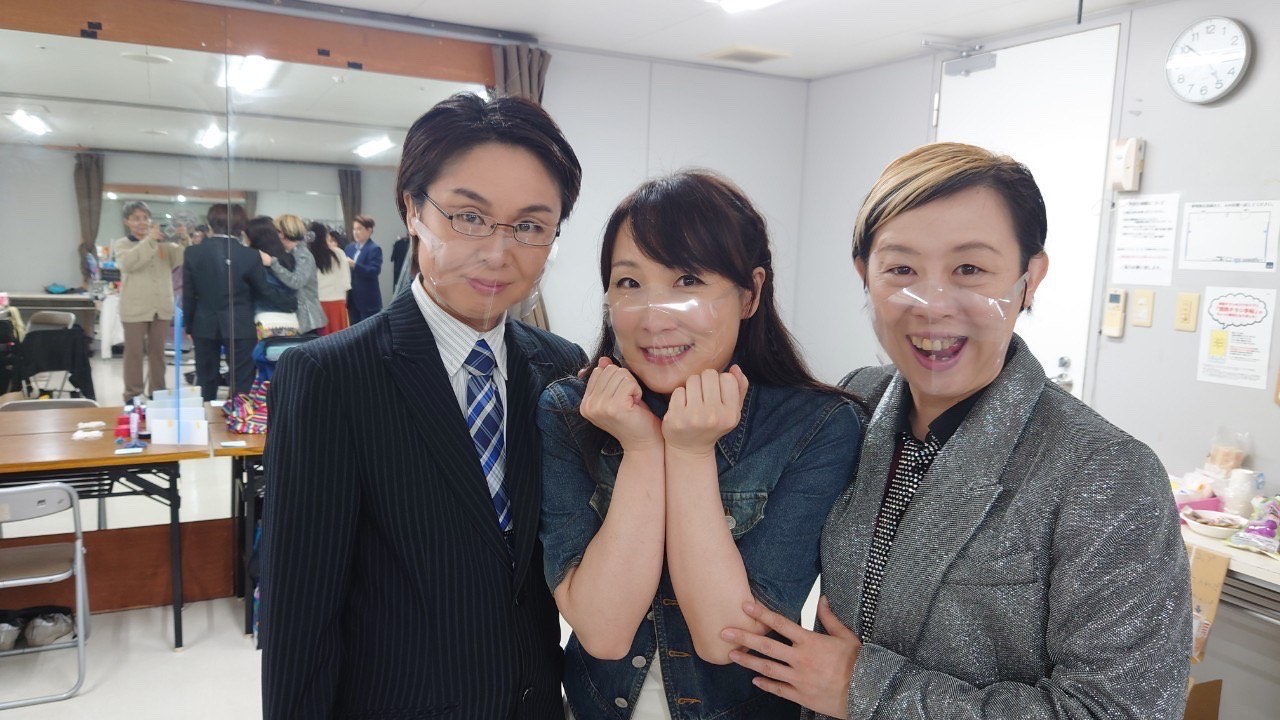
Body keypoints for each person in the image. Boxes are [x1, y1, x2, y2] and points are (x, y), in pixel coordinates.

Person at [722, 142, 1192, 719]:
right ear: (864, 276)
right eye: (901, 270)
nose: (932, 304)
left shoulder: (1106, 472)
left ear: (1029, 278)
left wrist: (865, 690)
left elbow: (1120, 710)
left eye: (970, 269)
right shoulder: (856, 402)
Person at [261, 92, 584, 720]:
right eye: (469, 216)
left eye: (530, 226)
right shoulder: (330, 376)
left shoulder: (560, 366)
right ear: (413, 208)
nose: (498, 252)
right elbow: (300, 614)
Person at [539, 170, 863, 719]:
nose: (654, 318)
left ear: (750, 293)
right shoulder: (571, 411)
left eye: (687, 280)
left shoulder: (817, 426)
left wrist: (689, 454)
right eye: (629, 283)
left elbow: (728, 638)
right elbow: (603, 631)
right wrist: (643, 449)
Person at [182, 204, 294, 401]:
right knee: (241, 380)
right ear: (241, 226)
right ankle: (238, 415)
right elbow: (264, 290)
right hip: (240, 324)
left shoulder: (192, 253)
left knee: (206, 379)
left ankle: (207, 415)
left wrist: (189, 325)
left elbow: (189, 295)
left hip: (204, 323)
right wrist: (290, 303)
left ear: (211, 223)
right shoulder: (250, 255)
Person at [112, 200, 184, 403]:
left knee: (158, 354)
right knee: (134, 353)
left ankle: (157, 392)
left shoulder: (163, 244)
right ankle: (132, 395)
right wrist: (150, 241)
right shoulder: (122, 244)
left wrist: (184, 238)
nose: (142, 222)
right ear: (127, 221)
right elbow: (128, 264)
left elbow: (180, 258)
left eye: (145, 218)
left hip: (161, 307)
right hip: (134, 308)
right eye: (136, 218)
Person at [260, 214, 326, 336]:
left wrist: (272, 263)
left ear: (282, 233)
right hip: (300, 317)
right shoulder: (291, 253)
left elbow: (297, 281)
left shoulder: (303, 255)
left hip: (307, 319)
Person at [311, 222, 351, 335]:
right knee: (339, 340)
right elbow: (346, 281)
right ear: (326, 236)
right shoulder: (338, 253)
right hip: (337, 303)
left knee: (320, 339)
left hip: (317, 304)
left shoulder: (309, 255)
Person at [344, 214, 382, 324]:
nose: (355, 232)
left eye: (359, 229)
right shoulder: (349, 248)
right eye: (354, 229)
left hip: (368, 300)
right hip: (352, 299)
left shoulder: (374, 248)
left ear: (369, 230)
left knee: (368, 331)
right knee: (353, 329)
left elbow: (374, 271)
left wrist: (355, 265)